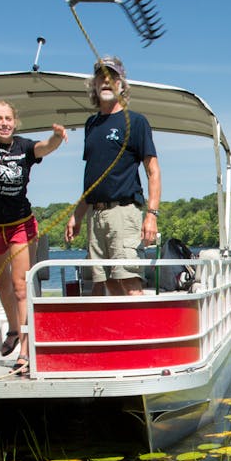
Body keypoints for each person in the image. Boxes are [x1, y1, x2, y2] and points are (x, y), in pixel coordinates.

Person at [0, 86, 67, 371]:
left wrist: (57, 138)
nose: (3, 123)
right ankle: (14, 329)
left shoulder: (23, 147)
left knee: (20, 285)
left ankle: (25, 349)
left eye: (8, 118)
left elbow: (44, 148)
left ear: (15, 122)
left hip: (20, 225)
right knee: (1, 284)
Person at [63, 57, 161, 296]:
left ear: (121, 85)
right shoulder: (91, 124)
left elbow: (153, 170)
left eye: (113, 77)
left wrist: (151, 215)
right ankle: (122, 333)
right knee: (108, 282)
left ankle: (140, 332)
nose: (106, 81)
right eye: (101, 77)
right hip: (95, 215)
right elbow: (92, 178)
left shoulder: (136, 122)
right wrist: (77, 215)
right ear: (94, 85)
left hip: (123, 213)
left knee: (128, 281)